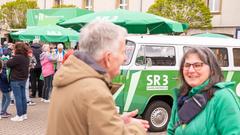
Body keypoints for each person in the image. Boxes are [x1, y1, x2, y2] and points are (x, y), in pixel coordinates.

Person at [46, 20, 149, 135]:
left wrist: (116, 122)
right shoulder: (95, 90)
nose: (125, 58)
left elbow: (83, 123)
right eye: (123, 52)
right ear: (108, 58)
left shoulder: (70, 77)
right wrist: (136, 128)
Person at [167, 47, 240, 135]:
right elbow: (171, 131)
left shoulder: (223, 97)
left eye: (197, 65)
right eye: (187, 65)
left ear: (212, 70)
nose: (191, 70)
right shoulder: (181, 97)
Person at [6, 42, 30, 122]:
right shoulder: (26, 57)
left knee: (18, 98)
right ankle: (24, 114)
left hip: (16, 79)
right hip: (23, 79)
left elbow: (8, 64)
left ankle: (19, 115)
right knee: (23, 97)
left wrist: (12, 56)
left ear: (17, 49)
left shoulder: (17, 57)